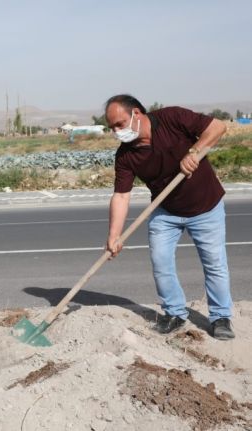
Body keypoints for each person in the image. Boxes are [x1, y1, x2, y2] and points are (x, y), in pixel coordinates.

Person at [104, 95, 234, 339]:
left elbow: (218, 127)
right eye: (112, 127)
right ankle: (174, 313)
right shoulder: (125, 156)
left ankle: (220, 318)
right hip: (166, 212)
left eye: (119, 124)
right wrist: (114, 236)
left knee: (215, 264)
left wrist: (195, 152)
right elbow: (121, 196)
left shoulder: (172, 118)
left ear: (137, 114)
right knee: (161, 261)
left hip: (206, 206)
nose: (116, 131)